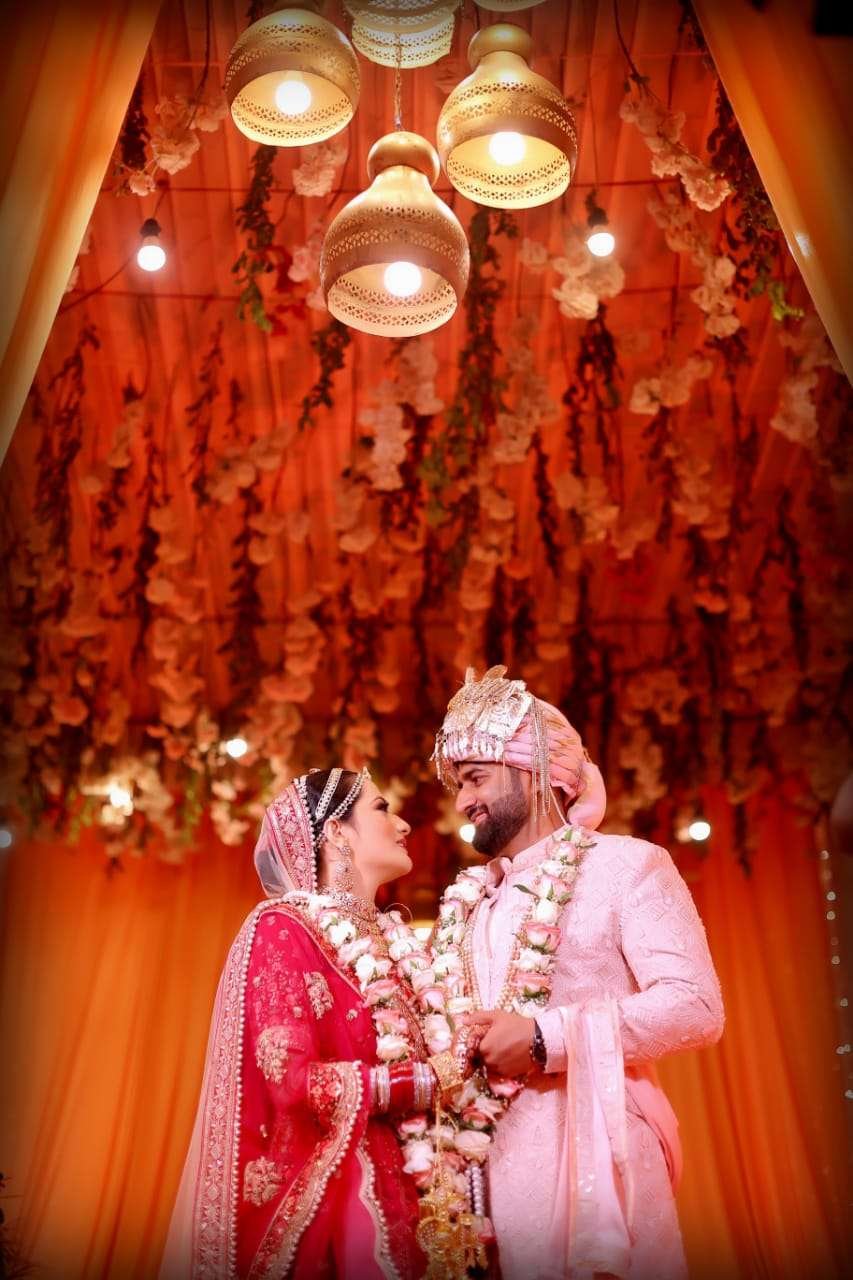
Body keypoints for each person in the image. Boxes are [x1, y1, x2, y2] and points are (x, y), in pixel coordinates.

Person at [429, 667, 725, 1280]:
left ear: (533, 771)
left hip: (599, 1171)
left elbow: (696, 1006)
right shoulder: (470, 902)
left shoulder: (626, 866)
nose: (462, 802)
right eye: (459, 784)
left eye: (476, 778)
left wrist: (545, 1038)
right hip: (480, 1185)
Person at [160, 767, 446, 1280]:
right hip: (339, 1200)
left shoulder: (398, 944)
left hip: (418, 1186)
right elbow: (291, 1081)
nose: (403, 825)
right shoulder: (284, 927)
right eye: (382, 809)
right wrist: (417, 1082)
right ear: (336, 830)